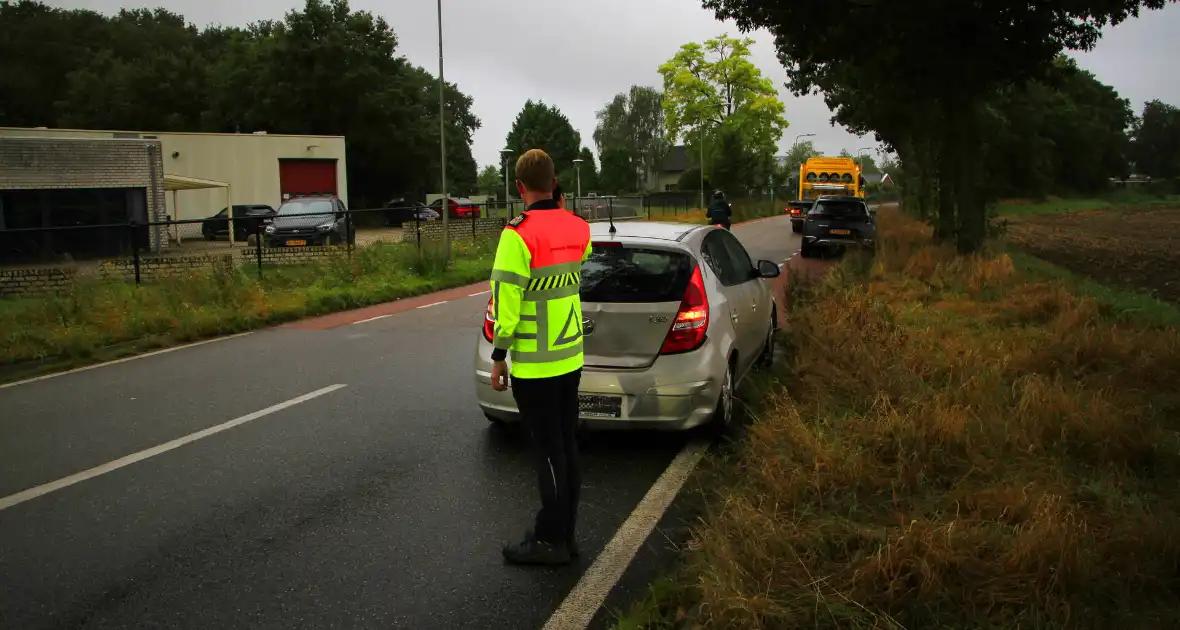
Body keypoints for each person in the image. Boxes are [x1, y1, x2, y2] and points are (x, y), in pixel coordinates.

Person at [489, 149, 592, 566]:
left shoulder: (516, 235)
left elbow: (507, 305)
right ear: (555, 184)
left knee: (547, 452)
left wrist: (499, 355)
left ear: (519, 187)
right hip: (570, 358)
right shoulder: (578, 227)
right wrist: (561, 209)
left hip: (535, 364)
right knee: (566, 446)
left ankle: (551, 541)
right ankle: (564, 533)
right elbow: (575, 264)